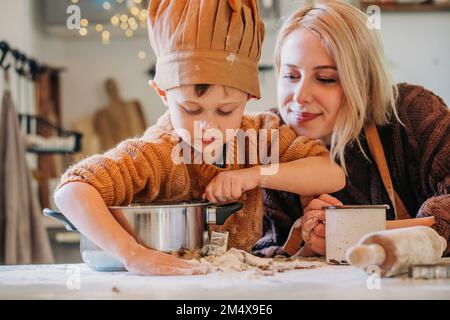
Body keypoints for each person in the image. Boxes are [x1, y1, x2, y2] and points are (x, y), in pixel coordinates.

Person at [54, 0, 345, 276]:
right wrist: (132, 254)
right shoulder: (157, 152)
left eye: (225, 110)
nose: (208, 127)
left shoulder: (260, 136)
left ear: (248, 97)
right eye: (191, 109)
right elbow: (72, 190)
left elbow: (331, 175)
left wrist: (254, 175)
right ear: (163, 95)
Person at [253, 0, 450, 258]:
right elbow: (255, 254)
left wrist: (347, 237)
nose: (300, 96)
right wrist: (308, 245)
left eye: (325, 79)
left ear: (363, 83)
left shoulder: (411, 112)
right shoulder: (265, 139)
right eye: (291, 76)